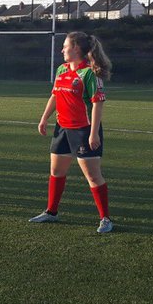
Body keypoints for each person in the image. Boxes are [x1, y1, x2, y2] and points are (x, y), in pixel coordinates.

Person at [28, 31, 114, 233]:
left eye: (65, 46)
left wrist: (93, 133)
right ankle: (51, 212)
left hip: (83, 131)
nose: (62, 50)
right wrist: (44, 118)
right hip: (62, 129)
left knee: (93, 177)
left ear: (75, 48)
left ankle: (106, 219)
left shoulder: (89, 73)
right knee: (56, 172)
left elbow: (97, 104)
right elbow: (55, 95)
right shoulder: (61, 69)